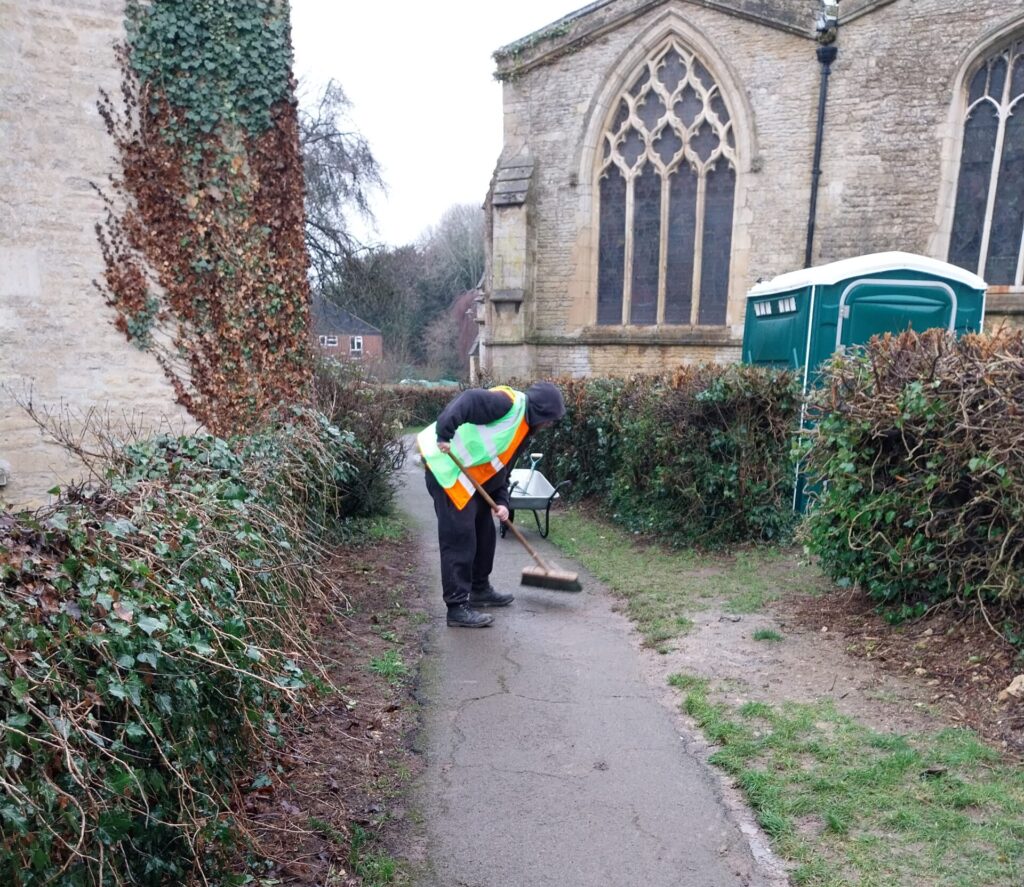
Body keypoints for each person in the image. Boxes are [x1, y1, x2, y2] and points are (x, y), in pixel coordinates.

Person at [418, 382, 566, 627]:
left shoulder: (523, 430)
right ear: (540, 411)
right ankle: (457, 607)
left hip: (473, 480)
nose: (548, 425)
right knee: (460, 538)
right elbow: (468, 400)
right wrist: (444, 434)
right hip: (446, 470)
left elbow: (502, 469)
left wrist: (501, 501)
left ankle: (479, 589)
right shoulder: (506, 404)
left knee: (485, 533)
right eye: (549, 420)